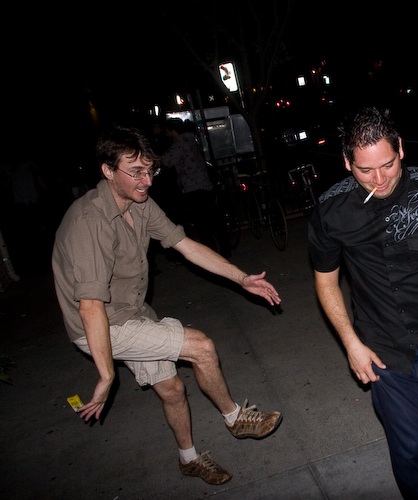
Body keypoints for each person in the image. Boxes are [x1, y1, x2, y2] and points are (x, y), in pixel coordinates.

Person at [52, 125, 282, 485]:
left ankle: (188, 459)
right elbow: (90, 306)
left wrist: (241, 278)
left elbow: (185, 246)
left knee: (173, 389)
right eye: (136, 172)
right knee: (201, 347)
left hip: (131, 314)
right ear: (108, 170)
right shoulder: (90, 222)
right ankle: (235, 418)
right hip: (100, 326)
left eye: (150, 170)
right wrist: (107, 375)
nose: (147, 181)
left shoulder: (139, 203)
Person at [308, 107, 418, 499]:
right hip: (382, 346)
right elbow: (326, 282)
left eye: (387, 165)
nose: (379, 179)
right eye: (365, 170)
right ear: (347, 162)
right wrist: (351, 344)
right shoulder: (331, 211)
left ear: (401, 149)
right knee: (408, 444)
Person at [162, 118, 231, 257]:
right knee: (214, 218)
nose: (167, 134)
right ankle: (225, 248)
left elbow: (166, 162)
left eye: (167, 131)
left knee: (202, 223)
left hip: (192, 186)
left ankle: (211, 253)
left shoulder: (179, 143)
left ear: (173, 131)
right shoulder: (191, 139)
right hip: (205, 183)